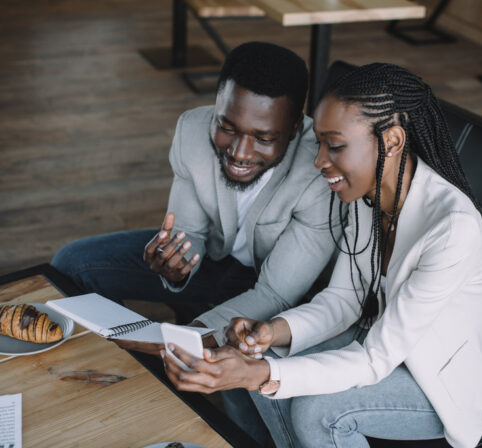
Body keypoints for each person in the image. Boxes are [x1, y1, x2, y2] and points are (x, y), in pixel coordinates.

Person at [159, 63, 482, 448]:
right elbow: (343, 300)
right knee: (254, 350)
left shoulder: (452, 230)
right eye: (321, 143)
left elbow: (375, 360)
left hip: (441, 380)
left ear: (391, 141)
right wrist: (270, 331)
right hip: (377, 336)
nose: (319, 160)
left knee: (316, 412)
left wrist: (259, 374)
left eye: (336, 146)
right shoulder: (368, 196)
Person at [51, 41, 342, 446]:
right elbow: (191, 232)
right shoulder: (192, 130)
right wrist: (178, 265)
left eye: (263, 138)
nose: (239, 152)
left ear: (294, 129)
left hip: (282, 294)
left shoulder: (319, 171)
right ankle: (101, 388)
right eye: (227, 127)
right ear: (216, 105)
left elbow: (275, 292)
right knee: (71, 264)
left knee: (233, 379)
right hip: (218, 265)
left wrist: (186, 337)